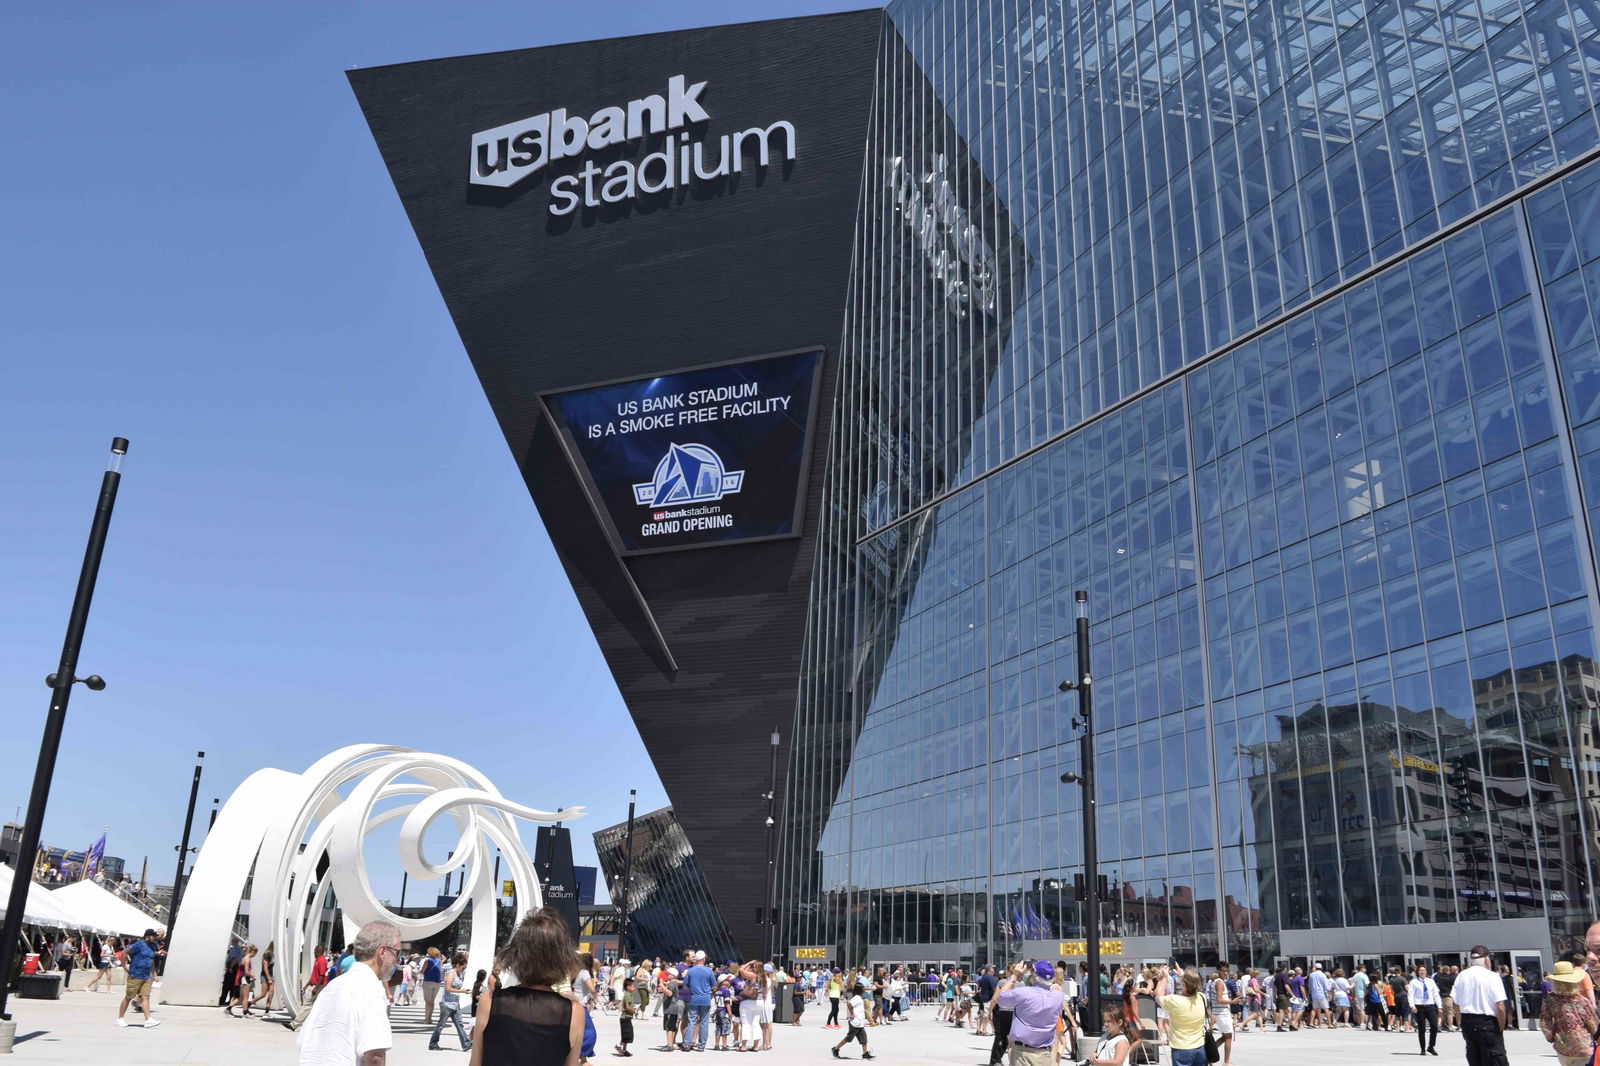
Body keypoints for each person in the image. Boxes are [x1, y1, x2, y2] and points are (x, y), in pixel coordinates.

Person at [470, 906, 583, 1066]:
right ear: (562, 958)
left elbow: (475, 1063)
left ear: (517, 955)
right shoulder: (573, 1011)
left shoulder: (490, 1001)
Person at [296, 920, 398, 1065]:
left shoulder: (333, 986)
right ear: (382, 952)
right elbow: (375, 1056)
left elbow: (304, 1041)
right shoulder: (372, 988)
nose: (397, 960)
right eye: (397, 953)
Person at [995, 960, 1062, 1066]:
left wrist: (1014, 976)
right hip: (1045, 1053)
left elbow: (1001, 999)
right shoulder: (1058, 997)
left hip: (1023, 1052)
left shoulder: (1024, 993)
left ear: (1035, 975)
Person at [1454, 944, 1510, 1066]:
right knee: (1495, 1059)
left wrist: (1460, 1024)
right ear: (1486, 959)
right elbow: (1500, 1006)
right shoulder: (1492, 976)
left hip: (1468, 1022)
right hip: (1487, 1022)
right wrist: (1500, 1028)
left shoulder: (1462, 975)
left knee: (1474, 1058)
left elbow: (1456, 1004)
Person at [1540, 961, 1597, 1066]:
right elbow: (1593, 1024)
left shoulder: (1549, 999)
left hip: (1563, 1047)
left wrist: (1551, 1037)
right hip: (1583, 1047)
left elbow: (1545, 1021)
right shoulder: (1582, 1001)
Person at [1157, 969, 1208, 1066]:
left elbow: (1157, 996)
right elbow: (1192, 986)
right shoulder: (1202, 997)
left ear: (1183, 984)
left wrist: (1164, 978)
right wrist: (1182, 977)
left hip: (1181, 1048)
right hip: (1200, 1047)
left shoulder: (1174, 1000)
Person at [117, 929, 164, 1029]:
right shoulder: (139, 944)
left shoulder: (153, 946)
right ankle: (120, 1018)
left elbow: (150, 960)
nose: (155, 938)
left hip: (146, 976)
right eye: (153, 936)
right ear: (147, 936)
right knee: (129, 997)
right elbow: (124, 952)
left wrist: (154, 974)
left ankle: (148, 1020)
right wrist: (124, 965)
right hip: (135, 975)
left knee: (146, 996)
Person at [429, 952, 473, 1052]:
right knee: (440, 1025)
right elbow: (448, 988)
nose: (463, 969)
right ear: (457, 965)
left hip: (455, 1004)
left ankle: (465, 1043)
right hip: (447, 1004)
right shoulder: (451, 973)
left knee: (459, 1024)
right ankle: (433, 1044)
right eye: (463, 967)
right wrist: (462, 991)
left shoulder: (459, 974)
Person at [830, 974, 875, 1061]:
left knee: (864, 1039)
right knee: (849, 1038)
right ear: (860, 990)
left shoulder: (859, 997)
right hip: (855, 1022)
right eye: (862, 989)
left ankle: (865, 1054)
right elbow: (849, 1004)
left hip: (859, 1023)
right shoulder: (857, 998)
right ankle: (836, 1048)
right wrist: (852, 1013)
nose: (863, 990)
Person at [683, 950, 714, 1051]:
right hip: (705, 999)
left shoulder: (690, 971)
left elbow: (685, 987)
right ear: (704, 959)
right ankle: (701, 1046)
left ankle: (687, 1044)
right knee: (704, 1022)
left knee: (691, 1021)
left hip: (694, 998)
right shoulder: (709, 971)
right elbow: (714, 986)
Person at [1409, 961, 1441, 1056]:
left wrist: (1439, 1006)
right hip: (1419, 1007)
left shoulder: (1430, 981)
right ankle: (1422, 1048)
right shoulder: (1414, 982)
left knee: (1434, 1027)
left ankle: (1431, 1046)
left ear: (1427, 972)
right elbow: (1410, 994)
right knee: (1422, 1029)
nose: (1423, 972)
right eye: (1421, 970)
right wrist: (1412, 1005)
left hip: (1430, 1006)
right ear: (1417, 972)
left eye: (1424, 970)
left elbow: (1436, 994)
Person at [1209, 964, 1236, 1065]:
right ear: (1218, 971)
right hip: (1222, 1013)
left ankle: (1208, 1055)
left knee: (1225, 1037)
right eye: (1223, 971)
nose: (1225, 973)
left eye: (1227, 971)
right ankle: (1226, 1062)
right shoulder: (1219, 982)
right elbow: (1219, 1000)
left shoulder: (1217, 981)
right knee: (1228, 1036)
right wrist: (1233, 1002)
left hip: (1220, 1013)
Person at [420, 946, 445, 1025]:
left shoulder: (427, 961)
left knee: (428, 1002)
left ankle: (427, 1019)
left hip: (428, 982)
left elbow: (422, 971)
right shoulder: (439, 961)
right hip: (437, 983)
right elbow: (441, 971)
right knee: (432, 1001)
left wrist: (418, 971)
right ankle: (430, 1018)